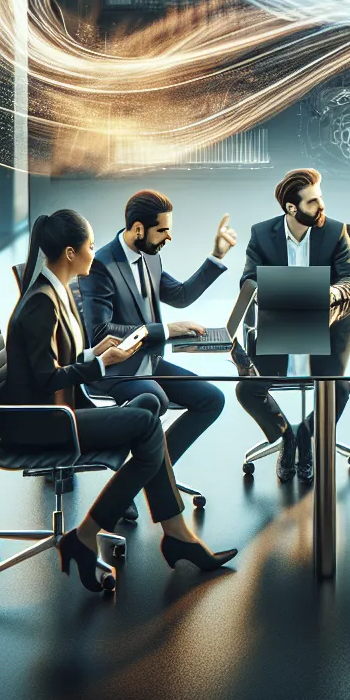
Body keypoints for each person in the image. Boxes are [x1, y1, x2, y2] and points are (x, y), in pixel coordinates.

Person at [0, 210, 236, 590]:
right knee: (147, 421)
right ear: (71, 253)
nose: (95, 252)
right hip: (44, 421)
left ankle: (165, 534)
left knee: (147, 409)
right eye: (90, 246)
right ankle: (118, 534)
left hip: (61, 409)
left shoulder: (55, 291)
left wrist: (93, 354)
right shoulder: (42, 302)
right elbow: (46, 379)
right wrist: (101, 363)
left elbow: (55, 362)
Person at [79, 189, 236, 522]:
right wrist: (165, 330)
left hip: (148, 362)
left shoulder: (150, 255)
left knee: (212, 399)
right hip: (116, 369)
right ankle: (135, 481)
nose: (169, 237)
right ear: (139, 229)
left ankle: (147, 473)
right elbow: (101, 334)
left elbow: (179, 296)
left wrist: (216, 256)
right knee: (157, 399)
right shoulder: (101, 265)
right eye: (162, 230)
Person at [237, 168, 350, 483]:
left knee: (339, 388)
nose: (321, 206)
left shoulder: (336, 232)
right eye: (312, 202)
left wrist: (330, 293)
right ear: (292, 208)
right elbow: (248, 280)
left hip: (324, 328)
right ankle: (285, 437)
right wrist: (273, 292)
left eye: (320, 198)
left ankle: (306, 435)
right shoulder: (262, 234)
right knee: (247, 389)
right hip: (277, 329)